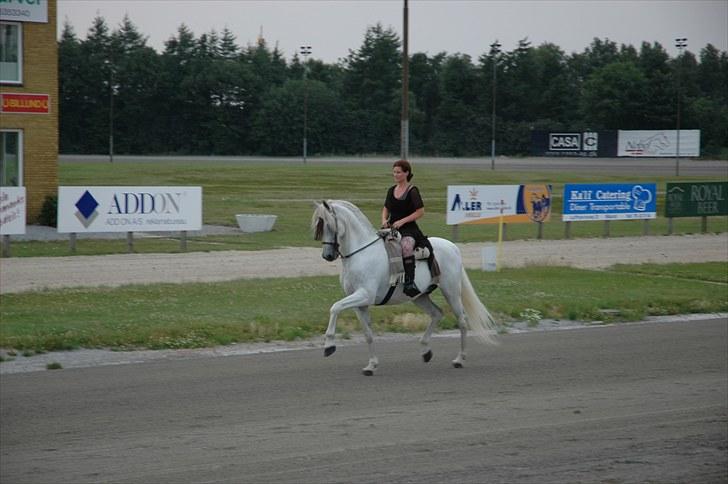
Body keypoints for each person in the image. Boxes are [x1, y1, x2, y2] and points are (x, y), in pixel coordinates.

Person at [381, 159, 426, 297]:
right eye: (394, 172)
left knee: (406, 247)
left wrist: (402, 221)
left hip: (409, 229)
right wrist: (384, 220)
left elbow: (420, 212)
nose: (395, 175)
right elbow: (385, 208)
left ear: (406, 173)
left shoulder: (412, 190)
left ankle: (409, 282)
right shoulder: (391, 190)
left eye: (398, 172)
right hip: (392, 228)